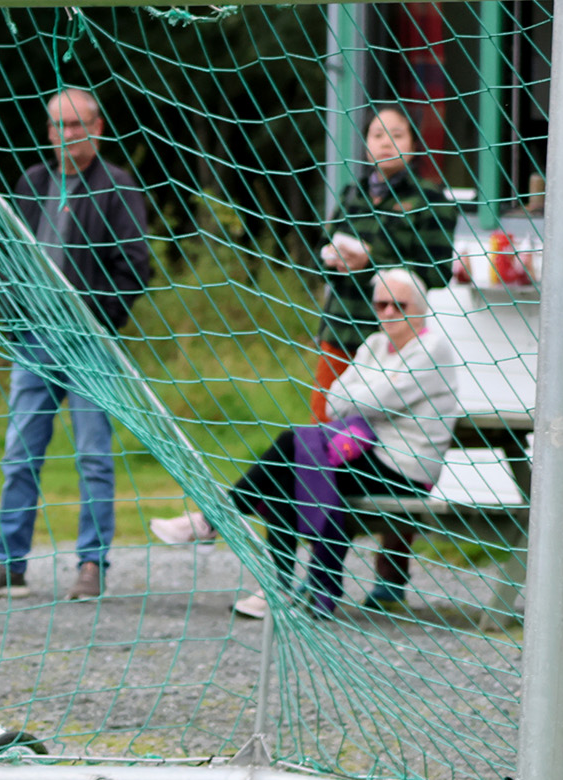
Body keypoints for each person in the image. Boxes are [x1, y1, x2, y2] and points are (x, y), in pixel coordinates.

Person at [149, 269, 459, 619]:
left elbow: (369, 400)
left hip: (404, 471)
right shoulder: (374, 345)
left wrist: (361, 394)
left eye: (398, 305)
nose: (387, 313)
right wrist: (362, 394)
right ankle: (273, 582)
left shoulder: (432, 348)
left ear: (419, 309)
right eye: (381, 304)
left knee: (291, 448)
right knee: (285, 473)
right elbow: (333, 401)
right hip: (369, 455)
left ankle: (214, 525)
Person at [0, 87, 150, 604]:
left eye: (76, 125)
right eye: (57, 126)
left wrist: (97, 323)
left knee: (93, 456)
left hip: (90, 347)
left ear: (98, 127)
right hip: (34, 342)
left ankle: (91, 564)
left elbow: (135, 265)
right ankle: (9, 564)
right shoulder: (32, 181)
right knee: (20, 455)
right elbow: (11, 259)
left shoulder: (118, 185)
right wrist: (15, 317)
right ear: (47, 131)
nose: (66, 135)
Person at [313, 106, 456, 606]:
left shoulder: (431, 199)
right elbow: (319, 252)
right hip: (341, 332)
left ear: (412, 143)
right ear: (366, 143)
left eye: (396, 133)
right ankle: (323, 568)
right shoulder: (352, 194)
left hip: (395, 340)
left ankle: (391, 573)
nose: (386, 141)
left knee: (397, 451)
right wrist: (334, 260)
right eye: (377, 133)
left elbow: (436, 268)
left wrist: (373, 258)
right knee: (325, 445)